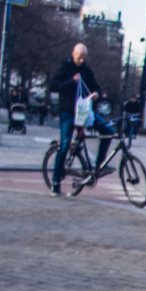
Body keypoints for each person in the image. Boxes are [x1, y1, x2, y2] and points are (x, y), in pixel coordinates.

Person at [47, 43, 117, 196]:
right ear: (73, 54)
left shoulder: (86, 70)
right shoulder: (64, 67)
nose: (81, 61)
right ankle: (55, 182)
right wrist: (71, 82)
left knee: (108, 131)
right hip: (68, 111)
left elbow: (96, 87)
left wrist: (97, 94)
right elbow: (53, 85)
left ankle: (99, 165)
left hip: (85, 111)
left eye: (84, 58)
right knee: (64, 145)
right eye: (79, 58)